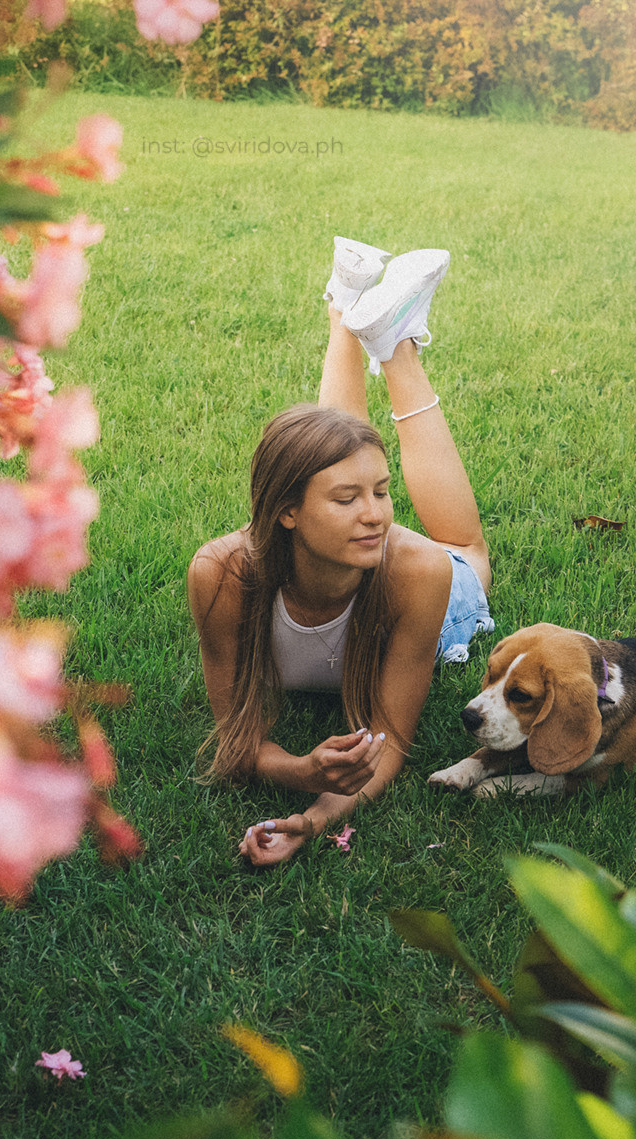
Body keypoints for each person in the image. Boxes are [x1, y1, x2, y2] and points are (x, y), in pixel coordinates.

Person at [188, 239, 494, 866]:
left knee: (466, 553)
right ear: (286, 511)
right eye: (347, 499)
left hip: (427, 581)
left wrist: (311, 819)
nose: (376, 514)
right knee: (338, 450)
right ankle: (350, 314)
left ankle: (392, 345)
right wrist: (300, 770)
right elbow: (234, 735)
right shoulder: (221, 573)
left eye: (381, 492)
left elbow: (391, 739)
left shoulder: (420, 571)